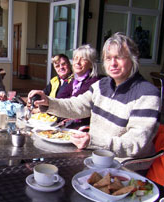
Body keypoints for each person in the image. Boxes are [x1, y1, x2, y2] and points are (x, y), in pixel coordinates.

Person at [27, 32, 160, 159]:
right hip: (94, 155)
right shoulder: (102, 85)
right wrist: (48, 102)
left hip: (123, 165)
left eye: (119, 57)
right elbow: (77, 105)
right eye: (108, 58)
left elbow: (135, 143)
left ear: (133, 59)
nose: (112, 63)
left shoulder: (147, 94)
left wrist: (93, 141)